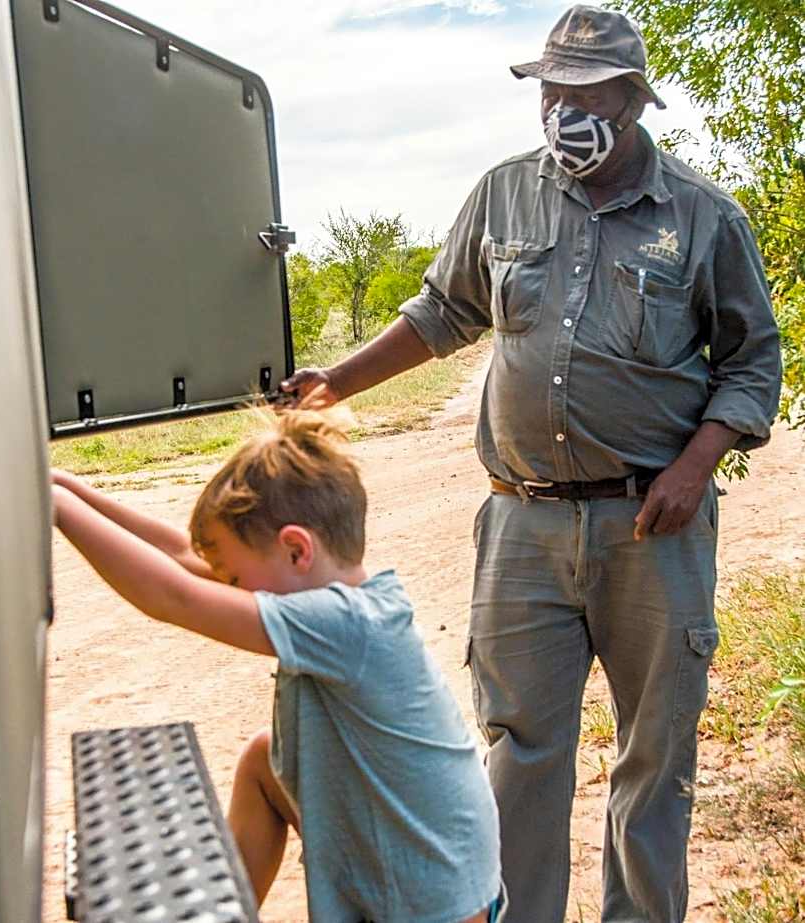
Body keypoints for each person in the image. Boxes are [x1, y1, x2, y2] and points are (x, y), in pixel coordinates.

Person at [280, 6, 782, 922]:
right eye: (549, 91)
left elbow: (754, 361)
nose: (561, 111)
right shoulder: (504, 193)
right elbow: (441, 313)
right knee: (519, 752)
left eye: (583, 93)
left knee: (653, 756)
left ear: (632, 102)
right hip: (521, 522)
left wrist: (695, 465)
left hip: (651, 527)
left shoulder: (703, 216)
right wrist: (335, 382)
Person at [52, 409, 503, 923]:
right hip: (410, 856)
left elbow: (173, 597)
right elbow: (181, 555)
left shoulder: (346, 624)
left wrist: (59, 508)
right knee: (264, 763)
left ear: (295, 549)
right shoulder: (346, 599)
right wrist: (69, 484)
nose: (229, 588)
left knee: (266, 759)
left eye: (236, 579)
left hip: (432, 900)